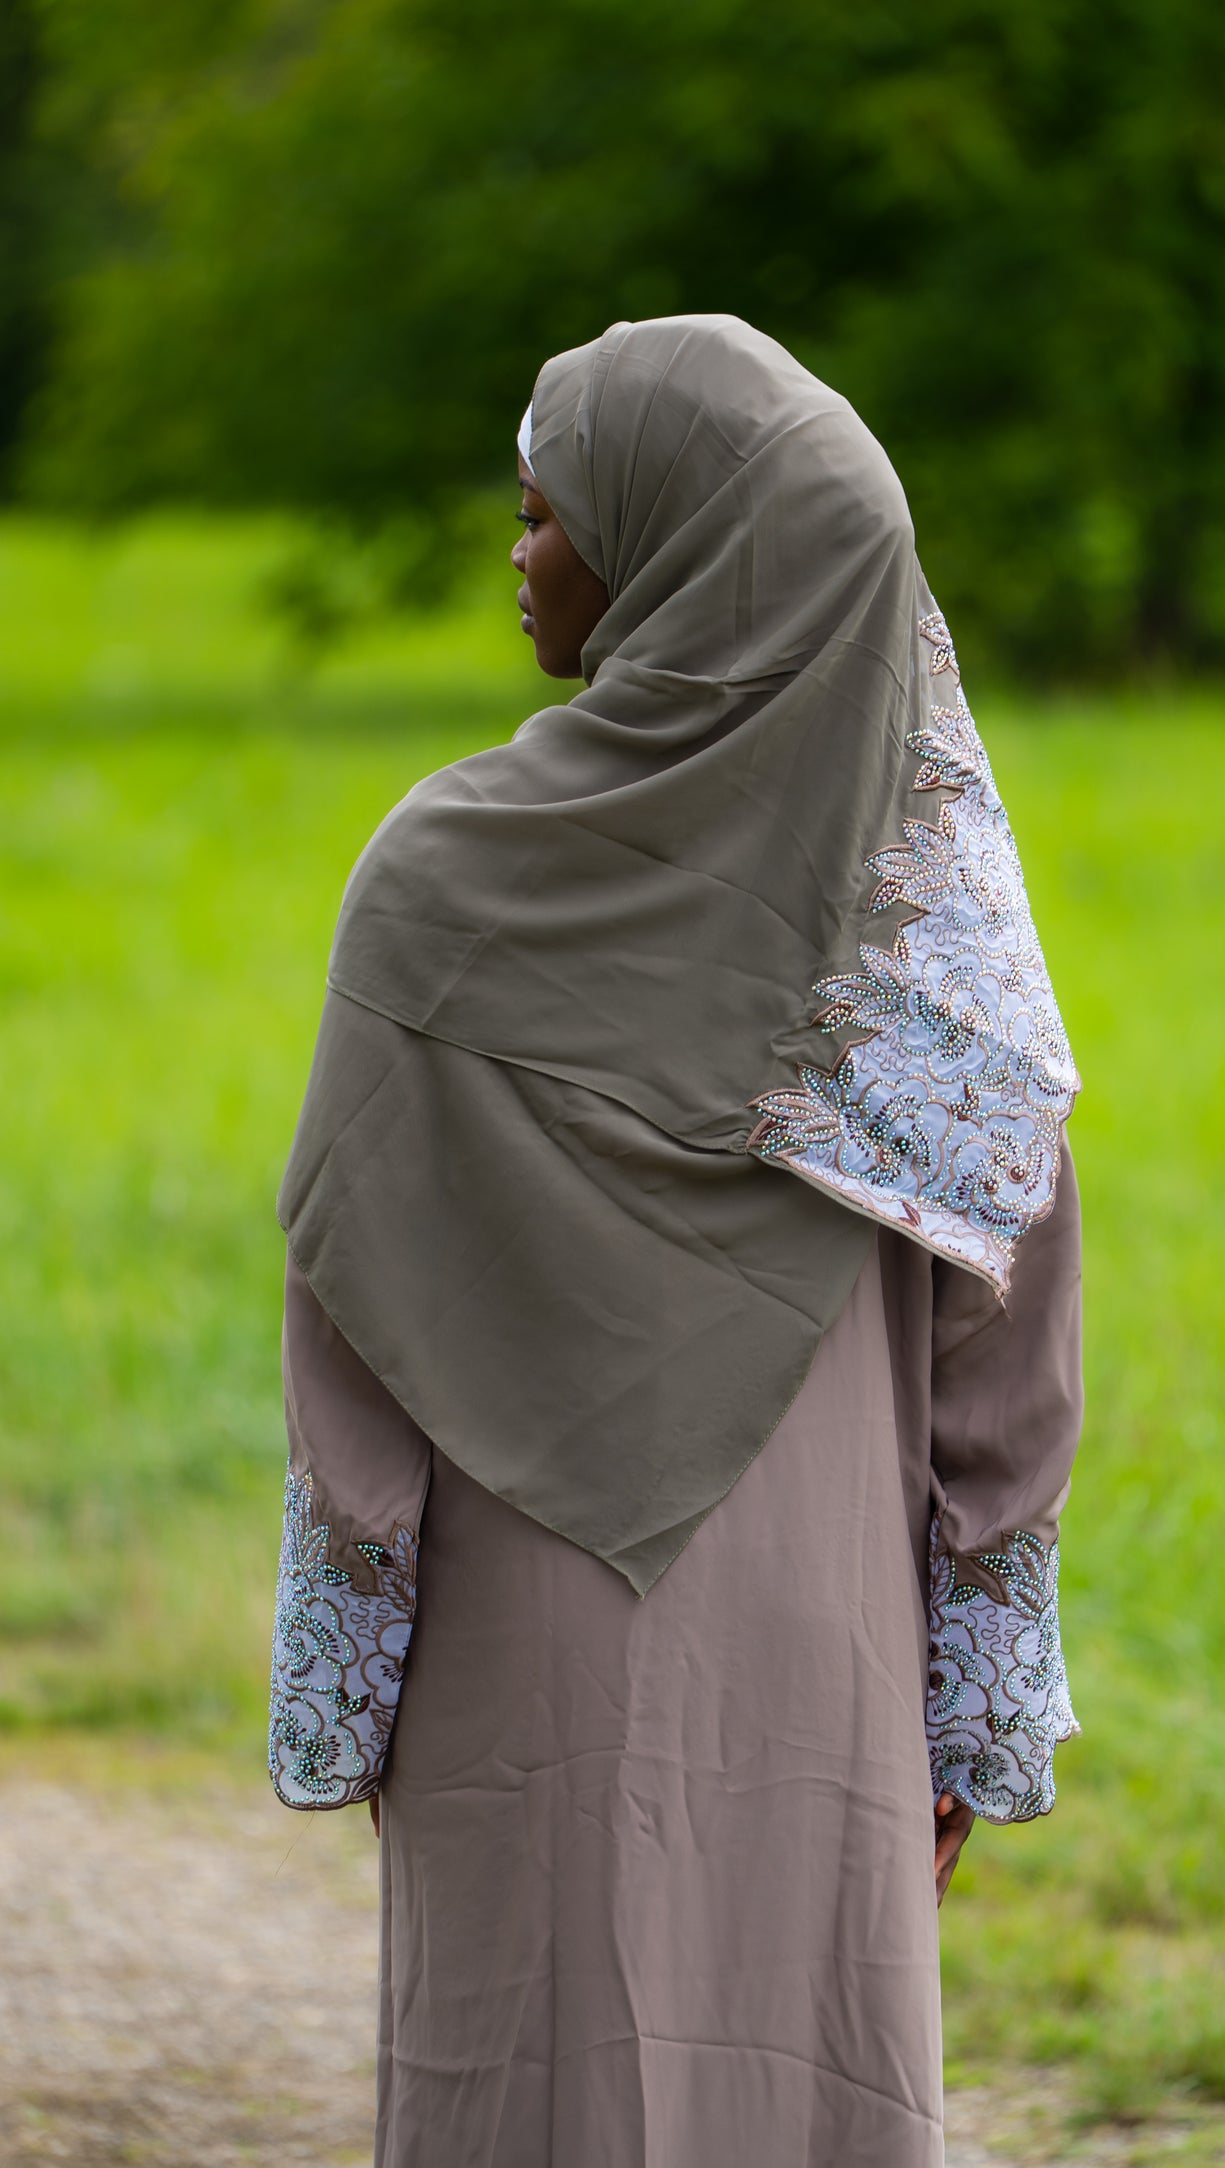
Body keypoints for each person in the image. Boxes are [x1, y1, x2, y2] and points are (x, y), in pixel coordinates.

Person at [268, 314, 1084, 2168]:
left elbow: (359, 1325)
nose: (519, 551)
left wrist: (354, 1666)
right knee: (800, 2086)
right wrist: (964, 1703)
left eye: (550, 512)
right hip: (834, 1653)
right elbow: (1007, 1351)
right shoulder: (918, 917)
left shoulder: (444, 880)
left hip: (518, 1648)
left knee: (532, 2089)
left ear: (677, 555)